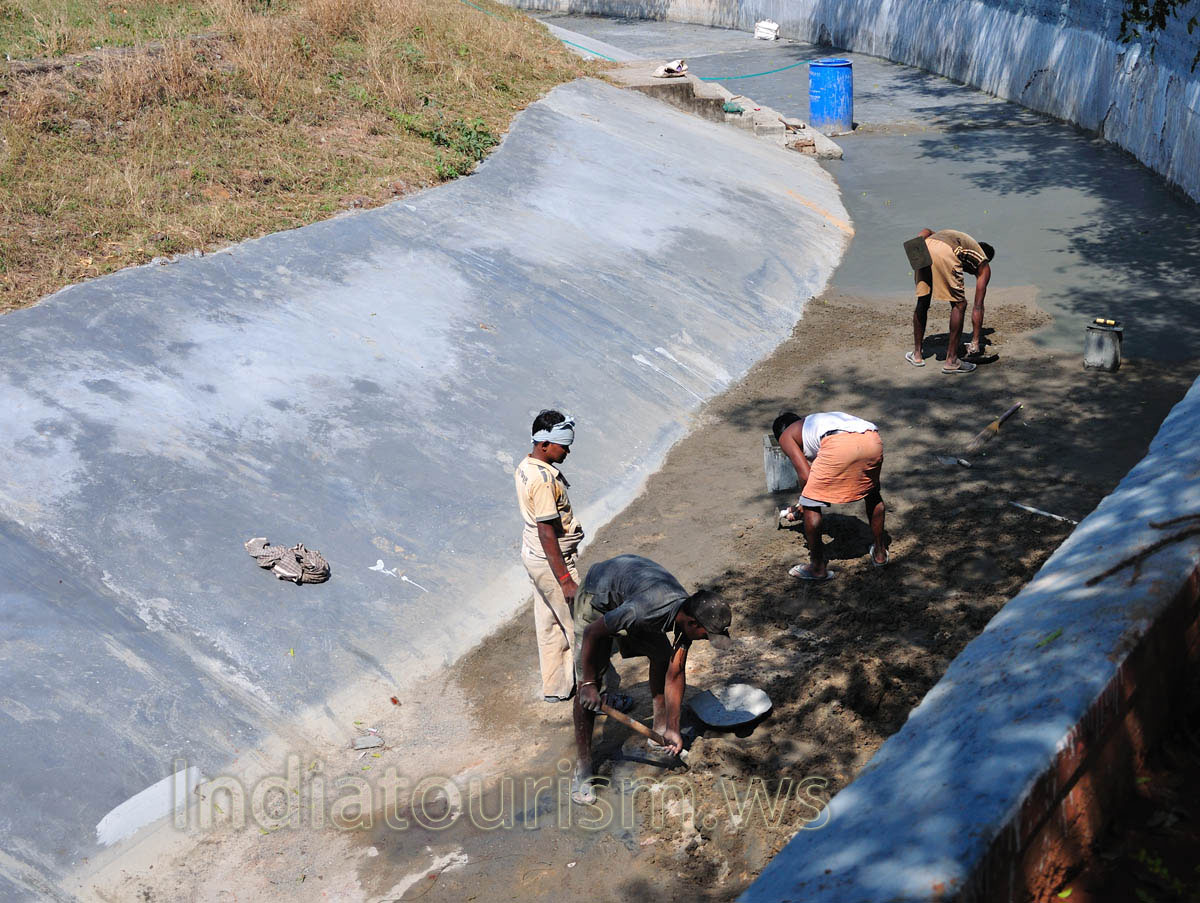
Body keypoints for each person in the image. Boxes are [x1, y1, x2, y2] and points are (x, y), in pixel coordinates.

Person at [572, 554, 732, 803]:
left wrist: (673, 728)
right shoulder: (644, 611)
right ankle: (583, 768)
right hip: (598, 597)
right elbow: (593, 632)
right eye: (706, 635)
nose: (705, 640)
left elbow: (675, 671)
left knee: (662, 655)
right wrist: (591, 683)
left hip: (630, 595)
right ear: (692, 623)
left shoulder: (686, 613)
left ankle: (659, 729)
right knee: (586, 689)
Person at [514, 410, 584, 702]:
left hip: (533, 555)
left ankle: (556, 687)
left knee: (549, 621)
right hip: (551, 560)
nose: (567, 451)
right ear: (544, 444)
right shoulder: (543, 480)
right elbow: (547, 533)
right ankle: (598, 694)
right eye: (563, 446)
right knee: (581, 625)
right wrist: (565, 579)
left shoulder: (526, 466)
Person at [774, 411, 887, 580]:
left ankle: (817, 568)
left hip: (838, 443)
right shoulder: (814, 424)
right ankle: (880, 553)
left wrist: (804, 503)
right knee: (872, 493)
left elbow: (806, 476)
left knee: (811, 501)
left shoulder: (786, 436)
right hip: (872, 439)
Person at [907, 228, 995, 374]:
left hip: (921, 246)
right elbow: (978, 306)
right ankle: (952, 361)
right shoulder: (983, 264)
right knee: (960, 304)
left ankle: (917, 355)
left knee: (923, 299)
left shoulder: (957, 240)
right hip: (944, 252)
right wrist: (975, 341)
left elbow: (926, 231)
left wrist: (916, 248)